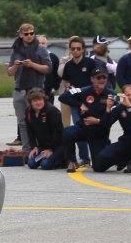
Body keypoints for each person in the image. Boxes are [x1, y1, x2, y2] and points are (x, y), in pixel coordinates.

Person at [61, 68, 118, 169]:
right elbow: (63, 97)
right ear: (92, 79)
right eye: (98, 78)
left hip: (99, 133)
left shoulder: (112, 95)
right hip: (83, 129)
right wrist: (79, 104)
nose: (102, 80)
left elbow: (111, 119)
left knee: (98, 167)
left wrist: (97, 121)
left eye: (104, 77)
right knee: (68, 132)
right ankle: (72, 161)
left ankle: (112, 151)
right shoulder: (84, 90)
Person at [6, 22, 51, 145]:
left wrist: (32, 65)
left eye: (32, 33)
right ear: (21, 35)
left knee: (37, 121)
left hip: (35, 90)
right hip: (19, 89)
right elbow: (9, 72)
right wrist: (15, 66)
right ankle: (27, 150)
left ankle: (39, 148)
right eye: (26, 34)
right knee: (22, 123)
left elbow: (48, 68)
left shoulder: (41, 49)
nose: (29, 36)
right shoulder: (15, 50)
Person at [56, 36, 98, 168]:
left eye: (78, 48)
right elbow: (66, 81)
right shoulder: (68, 65)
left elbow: (96, 81)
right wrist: (68, 87)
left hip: (90, 102)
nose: (75, 51)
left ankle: (97, 155)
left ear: (83, 49)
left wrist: (84, 90)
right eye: (73, 49)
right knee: (79, 128)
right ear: (70, 50)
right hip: (75, 103)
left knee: (94, 128)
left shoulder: (90, 63)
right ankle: (84, 157)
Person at [92, 84, 131, 176]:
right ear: (123, 95)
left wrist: (130, 108)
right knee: (98, 165)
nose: (130, 97)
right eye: (128, 95)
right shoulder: (120, 108)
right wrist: (108, 108)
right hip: (127, 140)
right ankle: (126, 159)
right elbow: (106, 124)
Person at [23, 89, 65, 169]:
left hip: (58, 145)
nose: (38, 103)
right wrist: (34, 146)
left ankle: (63, 159)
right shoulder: (28, 112)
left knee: (45, 164)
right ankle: (49, 158)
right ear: (31, 102)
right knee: (31, 163)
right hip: (43, 146)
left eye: (40, 100)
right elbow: (29, 130)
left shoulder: (52, 111)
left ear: (44, 100)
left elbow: (58, 132)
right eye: (35, 101)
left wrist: (51, 149)